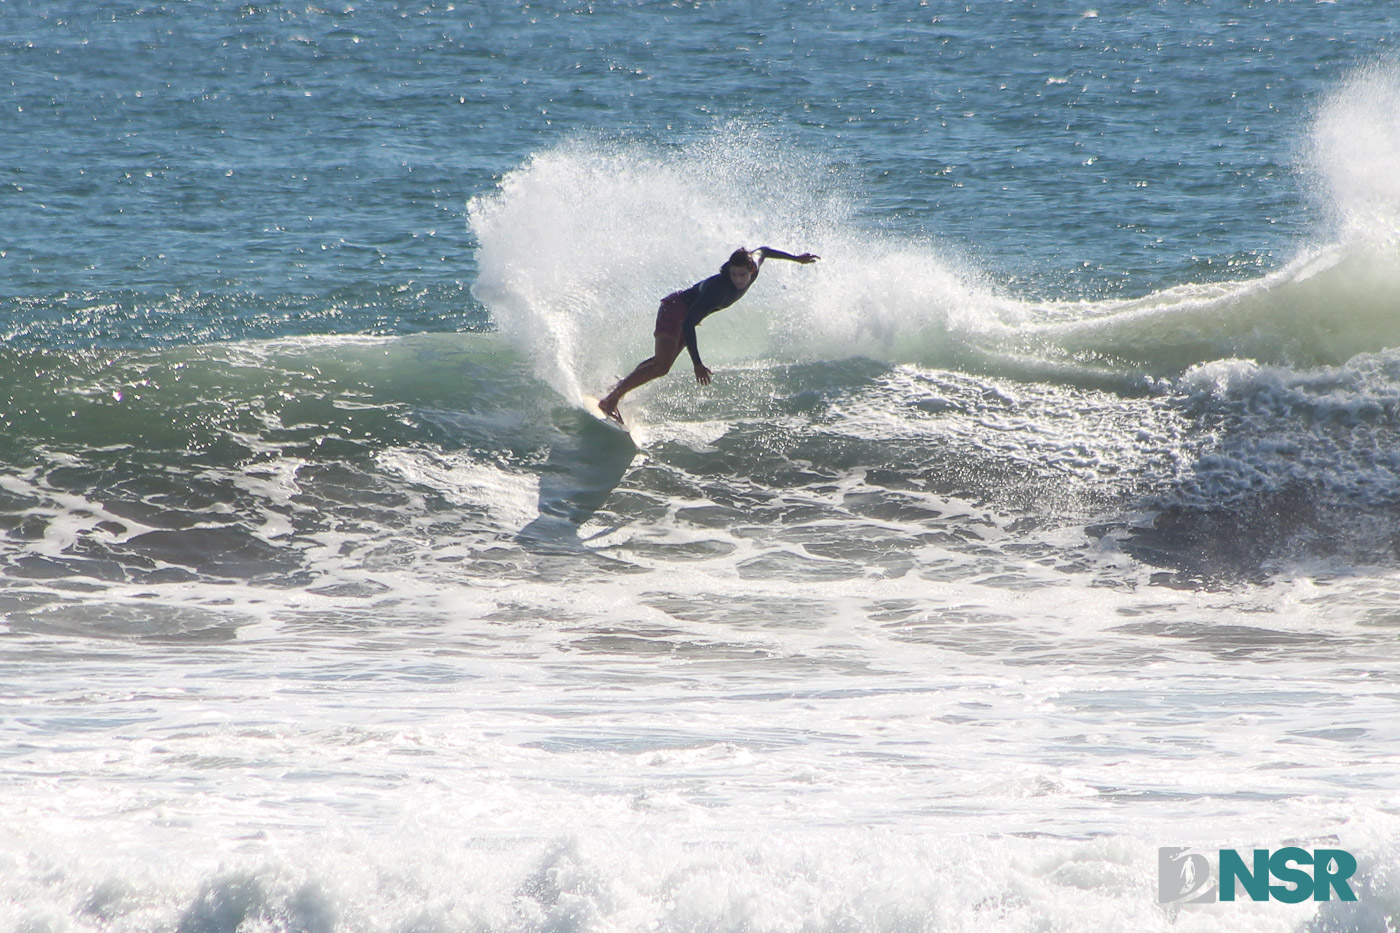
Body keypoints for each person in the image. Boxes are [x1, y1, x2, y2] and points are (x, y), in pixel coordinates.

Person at [597, 246, 819, 424]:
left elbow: (765, 250)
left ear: (751, 269)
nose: (737, 280)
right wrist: (697, 364)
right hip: (676, 310)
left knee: (659, 362)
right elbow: (688, 325)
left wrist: (796, 259)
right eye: (733, 274)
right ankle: (611, 400)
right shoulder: (717, 289)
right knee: (662, 367)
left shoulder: (754, 264)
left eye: (742, 275)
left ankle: (618, 388)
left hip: (687, 316)